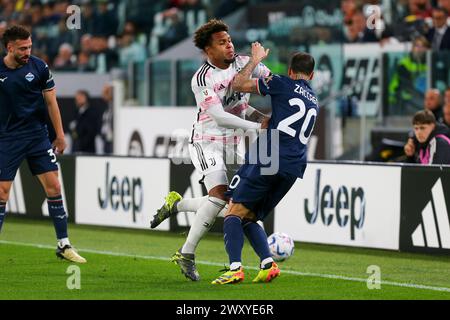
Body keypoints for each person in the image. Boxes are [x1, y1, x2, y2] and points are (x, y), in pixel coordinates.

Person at [150, 19, 270, 281]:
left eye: (229, 40)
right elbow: (219, 116)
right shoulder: (202, 78)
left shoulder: (244, 63)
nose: (229, 45)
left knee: (231, 205)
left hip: (234, 143)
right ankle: (187, 253)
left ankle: (177, 204)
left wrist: (266, 113)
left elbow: (265, 87)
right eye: (221, 42)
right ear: (208, 50)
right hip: (207, 140)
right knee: (218, 197)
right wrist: (255, 127)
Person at [212, 46, 319, 284]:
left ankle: (235, 268)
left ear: (290, 71)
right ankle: (267, 264)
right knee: (249, 216)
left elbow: (239, 84)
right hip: (293, 168)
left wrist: (255, 60)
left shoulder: (281, 82)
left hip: (269, 155)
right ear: (311, 75)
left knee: (234, 210)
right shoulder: (314, 102)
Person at [0, 25, 86, 263]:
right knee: (2, 192)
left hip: (37, 136)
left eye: (29, 46)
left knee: (54, 187)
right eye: (22, 48)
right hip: (7, 138)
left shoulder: (39, 67)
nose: (28, 51)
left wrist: (59, 134)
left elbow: (51, 103)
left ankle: (64, 244)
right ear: (9, 48)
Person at [69, 90, 102, 154]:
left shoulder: (92, 112)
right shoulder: (76, 112)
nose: (77, 100)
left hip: (87, 148)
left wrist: (82, 143)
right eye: (76, 99)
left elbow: (91, 131)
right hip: (76, 147)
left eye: (79, 98)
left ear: (85, 98)